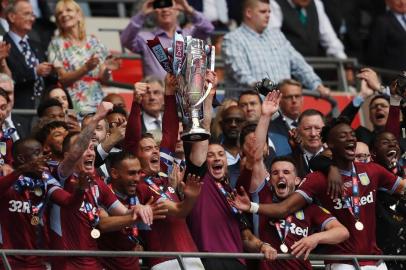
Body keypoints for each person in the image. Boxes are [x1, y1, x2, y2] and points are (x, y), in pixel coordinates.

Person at [233, 117, 406, 269]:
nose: (350, 139)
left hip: (374, 260)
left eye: (352, 135)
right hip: (343, 261)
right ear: (330, 144)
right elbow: (283, 208)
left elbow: (402, 187)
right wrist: (252, 206)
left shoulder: (372, 170)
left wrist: (314, 238)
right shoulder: (318, 179)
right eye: (343, 136)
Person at [222, 0, 330, 98]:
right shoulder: (232, 39)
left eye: (269, 11)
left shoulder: (277, 36)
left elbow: (299, 64)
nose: (268, 15)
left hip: (281, 107)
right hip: (248, 110)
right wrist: (269, 89)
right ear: (248, 13)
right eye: (263, 12)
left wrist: (317, 85)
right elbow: (242, 75)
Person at [48, 0, 120, 113]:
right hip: (73, 104)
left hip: (97, 101)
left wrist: (108, 70)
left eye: (68, 10)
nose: (64, 14)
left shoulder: (94, 41)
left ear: (79, 15)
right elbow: (62, 80)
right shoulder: (55, 44)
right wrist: (85, 68)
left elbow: (105, 79)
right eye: (60, 13)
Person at [120, 0, 214, 80]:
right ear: (154, 11)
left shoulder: (190, 34)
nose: (165, 9)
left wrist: (188, 9)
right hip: (158, 95)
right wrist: (142, 14)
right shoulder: (146, 38)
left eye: (169, 5)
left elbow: (208, 28)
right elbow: (125, 40)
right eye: (160, 6)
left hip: (185, 94)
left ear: (177, 10)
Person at [4, 0, 57, 110]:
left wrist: (51, 71)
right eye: (27, 14)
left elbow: (47, 78)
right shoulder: (3, 45)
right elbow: (8, 78)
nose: (32, 19)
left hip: (41, 107)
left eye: (33, 14)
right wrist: (35, 72)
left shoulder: (36, 45)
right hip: (17, 108)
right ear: (12, 17)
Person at [268, 0, 347, 59]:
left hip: (315, 68)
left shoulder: (316, 4)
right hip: (288, 70)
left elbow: (330, 39)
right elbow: (274, 40)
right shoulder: (274, 4)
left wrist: (343, 62)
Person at [366, 0, 406, 78]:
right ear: (388, 2)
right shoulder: (381, 22)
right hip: (395, 78)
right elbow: (374, 54)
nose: (402, 2)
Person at [268, 79, 304, 156]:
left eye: (297, 96)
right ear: (279, 100)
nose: (294, 101)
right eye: (289, 97)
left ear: (302, 99)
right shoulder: (270, 129)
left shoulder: (310, 125)